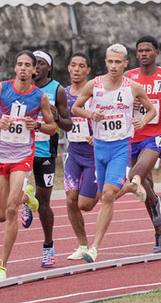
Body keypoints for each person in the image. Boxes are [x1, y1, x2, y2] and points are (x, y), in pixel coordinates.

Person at [0, 50, 56, 281]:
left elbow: (52, 128)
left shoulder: (40, 97)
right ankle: (30, 198)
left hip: (22, 158)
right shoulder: (1, 89)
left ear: (33, 70)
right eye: (19, 64)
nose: (22, 68)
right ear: (15, 68)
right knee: (0, 215)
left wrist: (37, 125)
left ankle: (1, 266)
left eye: (27, 65)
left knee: (11, 210)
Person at [72, 43, 156, 262]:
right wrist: (90, 115)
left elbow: (152, 109)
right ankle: (131, 186)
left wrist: (143, 121)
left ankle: (94, 248)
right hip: (99, 147)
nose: (113, 65)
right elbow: (75, 108)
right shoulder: (94, 84)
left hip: (120, 147)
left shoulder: (133, 87)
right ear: (105, 62)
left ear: (126, 64)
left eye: (118, 62)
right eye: (110, 61)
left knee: (108, 195)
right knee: (102, 197)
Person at [122, 36, 161, 253]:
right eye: (139, 50)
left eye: (148, 50)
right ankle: (159, 230)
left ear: (156, 53)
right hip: (133, 134)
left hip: (156, 133)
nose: (143, 54)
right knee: (145, 184)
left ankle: (156, 201)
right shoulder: (128, 77)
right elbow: (119, 102)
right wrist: (131, 102)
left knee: (135, 176)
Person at [21, 50, 72, 268]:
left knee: (44, 205)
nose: (37, 67)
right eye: (35, 63)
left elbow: (69, 125)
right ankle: (26, 199)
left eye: (41, 63)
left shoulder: (57, 90)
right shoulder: (20, 88)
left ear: (48, 67)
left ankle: (48, 246)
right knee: (13, 195)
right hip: (22, 149)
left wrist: (57, 116)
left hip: (45, 152)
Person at [64, 53, 100, 260]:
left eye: (81, 66)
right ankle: (83, 245)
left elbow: (110, 115)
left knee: (85, 205)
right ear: (68, 68)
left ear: (88, 71)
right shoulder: (64, 93)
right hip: (74, 153)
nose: (77, 70)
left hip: (94, 154)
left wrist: (98, 135)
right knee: (70, 201)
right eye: (73, 66)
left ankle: (121, 186)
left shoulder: (96, 93)